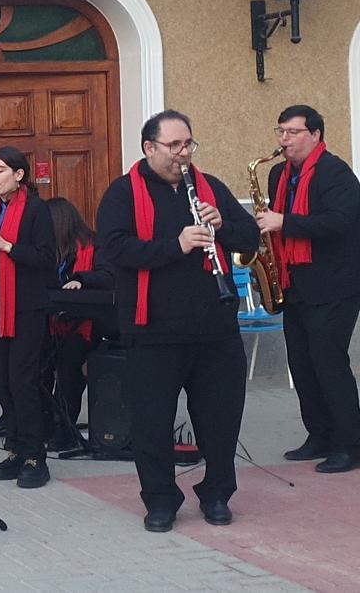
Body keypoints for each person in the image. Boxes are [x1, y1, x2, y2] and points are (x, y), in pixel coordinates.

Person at [96, 109, 259, 532]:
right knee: (152, 422)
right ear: (149, 148)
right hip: (152, 331)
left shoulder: (210, 188)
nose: (183, 154)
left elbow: (249, 240)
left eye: (188, 144)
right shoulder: (122, 194)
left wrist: (223, 226)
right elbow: (115, 250)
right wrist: (177, 245)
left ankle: (218, 492)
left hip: (215, 328)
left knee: (221, 420)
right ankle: (161, 500)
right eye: (174, 146)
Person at [258, 105, 360, 473]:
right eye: (280, 131)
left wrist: (284, 222)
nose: (283, 139)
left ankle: (349, 443)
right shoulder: (277, 175)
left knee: (329, 363)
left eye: (292, 132)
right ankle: (319, 435)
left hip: (335, 284)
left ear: (315, 135)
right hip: (295, 283)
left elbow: (340, 223)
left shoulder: (336, 173)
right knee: (301, 364)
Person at [0, 147, 55, 489]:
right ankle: (16, 449)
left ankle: (36, 455)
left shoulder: (36, 210)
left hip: (26, 309)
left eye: (0, 170)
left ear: (19, 175)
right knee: (0, 379)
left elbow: (46, 258)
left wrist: (4, 246)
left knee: (23, 381)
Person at [42, 197, 114, 451]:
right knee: (39, 361)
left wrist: (81, 280)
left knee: (68, 364)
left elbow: (108, 276)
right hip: (59, 319)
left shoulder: (95, 246)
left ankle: (65, 428)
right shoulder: (54, 251)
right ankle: (45, 421)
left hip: (93, 323)